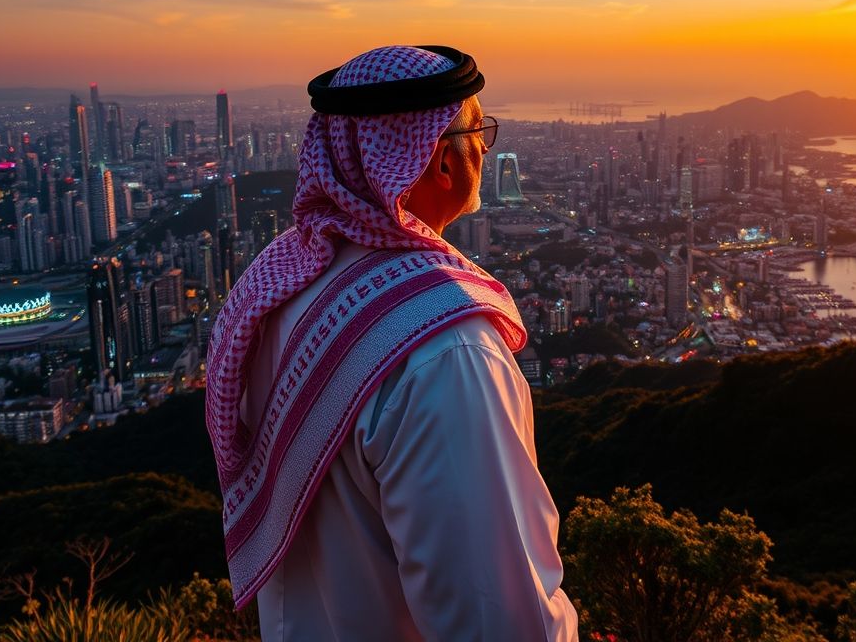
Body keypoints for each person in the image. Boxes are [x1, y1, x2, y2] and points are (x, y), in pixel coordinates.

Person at [205, 44, 579, 641]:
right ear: (440, 160)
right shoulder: (447, 351)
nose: (486, 146)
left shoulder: (274, 290)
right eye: (477, 130)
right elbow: (497, 618)